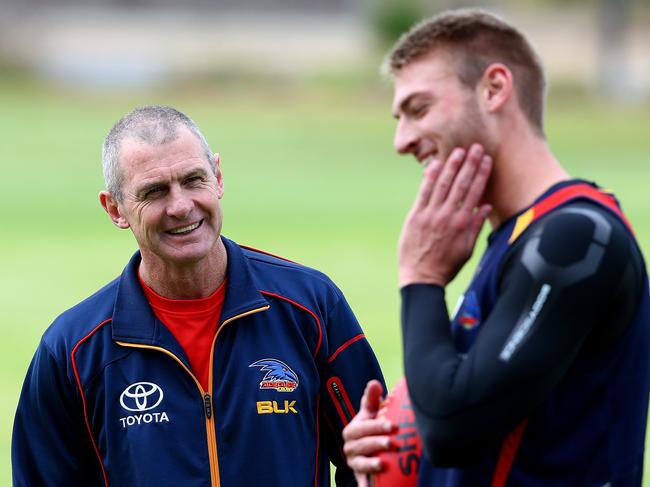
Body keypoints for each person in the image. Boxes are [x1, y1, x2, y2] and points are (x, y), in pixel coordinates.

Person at [343, 8, 650, 487]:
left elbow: (455, 427)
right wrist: (394, 442)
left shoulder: (574, 239)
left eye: (418, 109)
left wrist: (420, 279)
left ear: (494, 89)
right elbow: (469, 414)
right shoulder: (516, 239)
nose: (402, 141)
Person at [12, 105, 385, 486]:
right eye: (154, 192)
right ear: (115, 209)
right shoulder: (73, 349)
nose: (181, 206)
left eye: (193, 180)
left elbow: (379, 461)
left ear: (218, 177)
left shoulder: (310, 306)